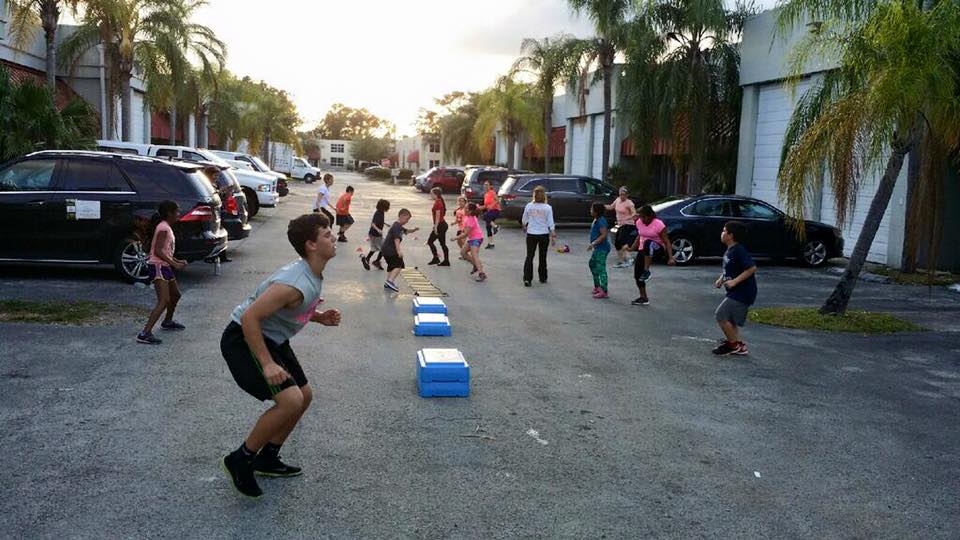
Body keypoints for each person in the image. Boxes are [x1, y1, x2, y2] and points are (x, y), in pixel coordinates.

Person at [219, 213, 341, 499]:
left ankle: (268, 457)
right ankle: (240, 459)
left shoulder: (310, 272)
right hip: (243, 338)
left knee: (304, 396)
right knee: (290, 400)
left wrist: (318, 316)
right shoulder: (293, 282)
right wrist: (267, 364)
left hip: (272, 338)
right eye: (327, 234)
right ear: (311, 244)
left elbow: (293, 307)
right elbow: (250, 318)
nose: (334, 237)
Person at [137, 200, 187, 345]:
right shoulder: (164, 228)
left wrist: (176, 260)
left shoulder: (166, 227)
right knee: (164, 300)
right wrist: (175, 264)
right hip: (158, 266)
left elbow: (166, 250)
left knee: (175, 295)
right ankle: (145, 333)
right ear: (169, 213)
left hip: (165, 266)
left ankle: (168, 321)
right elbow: (158, 251)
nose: (179, 214)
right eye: (177, 212)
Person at [713, 221, 757, 356]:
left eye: (724, 231)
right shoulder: (730, 250)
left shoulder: (739, 250)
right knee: (730, 319)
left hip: (743, 292)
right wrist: (721, 279)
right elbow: (729, 269)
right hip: (736, 291)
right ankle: (737, 343)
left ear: (731, 235)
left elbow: (751, 268)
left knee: (721, 315)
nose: (722, 233)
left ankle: (733, 346)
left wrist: (734, 282)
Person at [630, 205, 675, 306]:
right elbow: (639, 236)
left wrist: (671, 258)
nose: (642, 219)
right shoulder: (639, 222)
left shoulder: (659, 224)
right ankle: (644, 298)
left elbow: (667, 241)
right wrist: (631, 248)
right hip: (644, 250)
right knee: (637, 275)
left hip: (658, 249)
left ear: (650, 216)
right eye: (641, 217)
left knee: (648, 243)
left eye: (644, 217)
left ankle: (646, 270)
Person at [520, 185, 556, 287]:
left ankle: (527, 278)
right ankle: (543, 277)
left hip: (531, 233)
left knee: (530, 256)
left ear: (534, 195)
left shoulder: (529, 206)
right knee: (542, 256)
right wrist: (553, 234)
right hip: (543, 234)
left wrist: (524, 227)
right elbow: (550, 222)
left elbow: (524, 219)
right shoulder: (548, 208)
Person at [381, 209, 419, 292]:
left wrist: (414, 230)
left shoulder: (398, 226)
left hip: (386, 249)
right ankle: (390, 282)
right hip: (390, 249)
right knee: (399, 264)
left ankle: (388, 282)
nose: (407, 221)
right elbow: (396, 239)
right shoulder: (397, 227)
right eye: (407, 219)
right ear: (402, 216)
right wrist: (398, 251)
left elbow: (406, 231)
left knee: (392, 266)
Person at [605, 186, 637, 268]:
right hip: (619, 224)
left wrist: (628, 218)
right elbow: (611, 207)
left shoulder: (629, 203)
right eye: (620, 194)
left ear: (627, 195)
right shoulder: (617, 200)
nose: (622, 196)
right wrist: (602, 206)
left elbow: (634, 213)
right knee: (617, 243)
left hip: (628, 224)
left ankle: (628, 259)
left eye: (623, 194)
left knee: (621, 241)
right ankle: (621, 260)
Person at [457, 203, 487, 282]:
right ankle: (475, 265)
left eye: (466, 208)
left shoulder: (471, 219)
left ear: (470, 211)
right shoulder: (469, 216)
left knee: (475, 255)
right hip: (472, 238)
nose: (464, 209)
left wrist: (456, 238)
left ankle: (481, 274)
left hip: (476, 239)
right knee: (463, 252)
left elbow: (466, 234)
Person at [587, 202, 611, 299]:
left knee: (601, 268)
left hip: (602, 248)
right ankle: (597, 286)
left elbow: (604, 235)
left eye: (592, 209)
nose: (590, 210)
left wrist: (593, 243)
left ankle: (604, 290)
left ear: (596, 212)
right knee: (592, 264)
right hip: (598, 248)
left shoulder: (601, 221)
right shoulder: (597, 219)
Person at [361, 199, 390, 271]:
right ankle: (375, 261)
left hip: (374, 234)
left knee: (375, 248)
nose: (388, 208)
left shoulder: (381, 212)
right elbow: (373, 224)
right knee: (384, 248)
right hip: (375, 234)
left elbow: (379, 220)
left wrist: (385, 223)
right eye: (387, 207)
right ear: (384, 207)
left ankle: (368, 259)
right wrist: (378, 230)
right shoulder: (379, 213)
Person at [426, 187, 451, 266]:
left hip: (440, 225)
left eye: (432, 194)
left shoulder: (438, 203)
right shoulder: (439, 201)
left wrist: (436, 227)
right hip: (441, 224)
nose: (431, 195)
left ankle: (437, 258)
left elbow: (438, 216)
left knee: (430, 241)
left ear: (436, 194)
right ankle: (445, 260)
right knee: (442, 244)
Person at [479, 181, 501, 249]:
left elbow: (497, 200)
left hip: (495, 210)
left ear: (490, 186)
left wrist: (492, 205)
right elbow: (486, 206)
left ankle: (495, 226)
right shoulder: (485, 194)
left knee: (485, 216)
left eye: (487, 185)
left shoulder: (492, 192)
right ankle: (491, 243)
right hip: (490, 211)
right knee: (488, 227)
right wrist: (479, 208)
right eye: (484, 185)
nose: (485, 186)